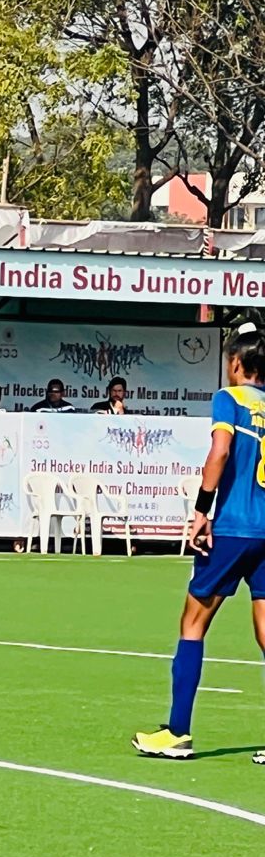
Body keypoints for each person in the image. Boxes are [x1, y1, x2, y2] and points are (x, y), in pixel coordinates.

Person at [135, 326, 265, 762]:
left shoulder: (228, 399)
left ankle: (177, 732)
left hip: (232, 529)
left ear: (235, 364)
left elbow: (220, 452)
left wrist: (201, 510)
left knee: (192, 624)